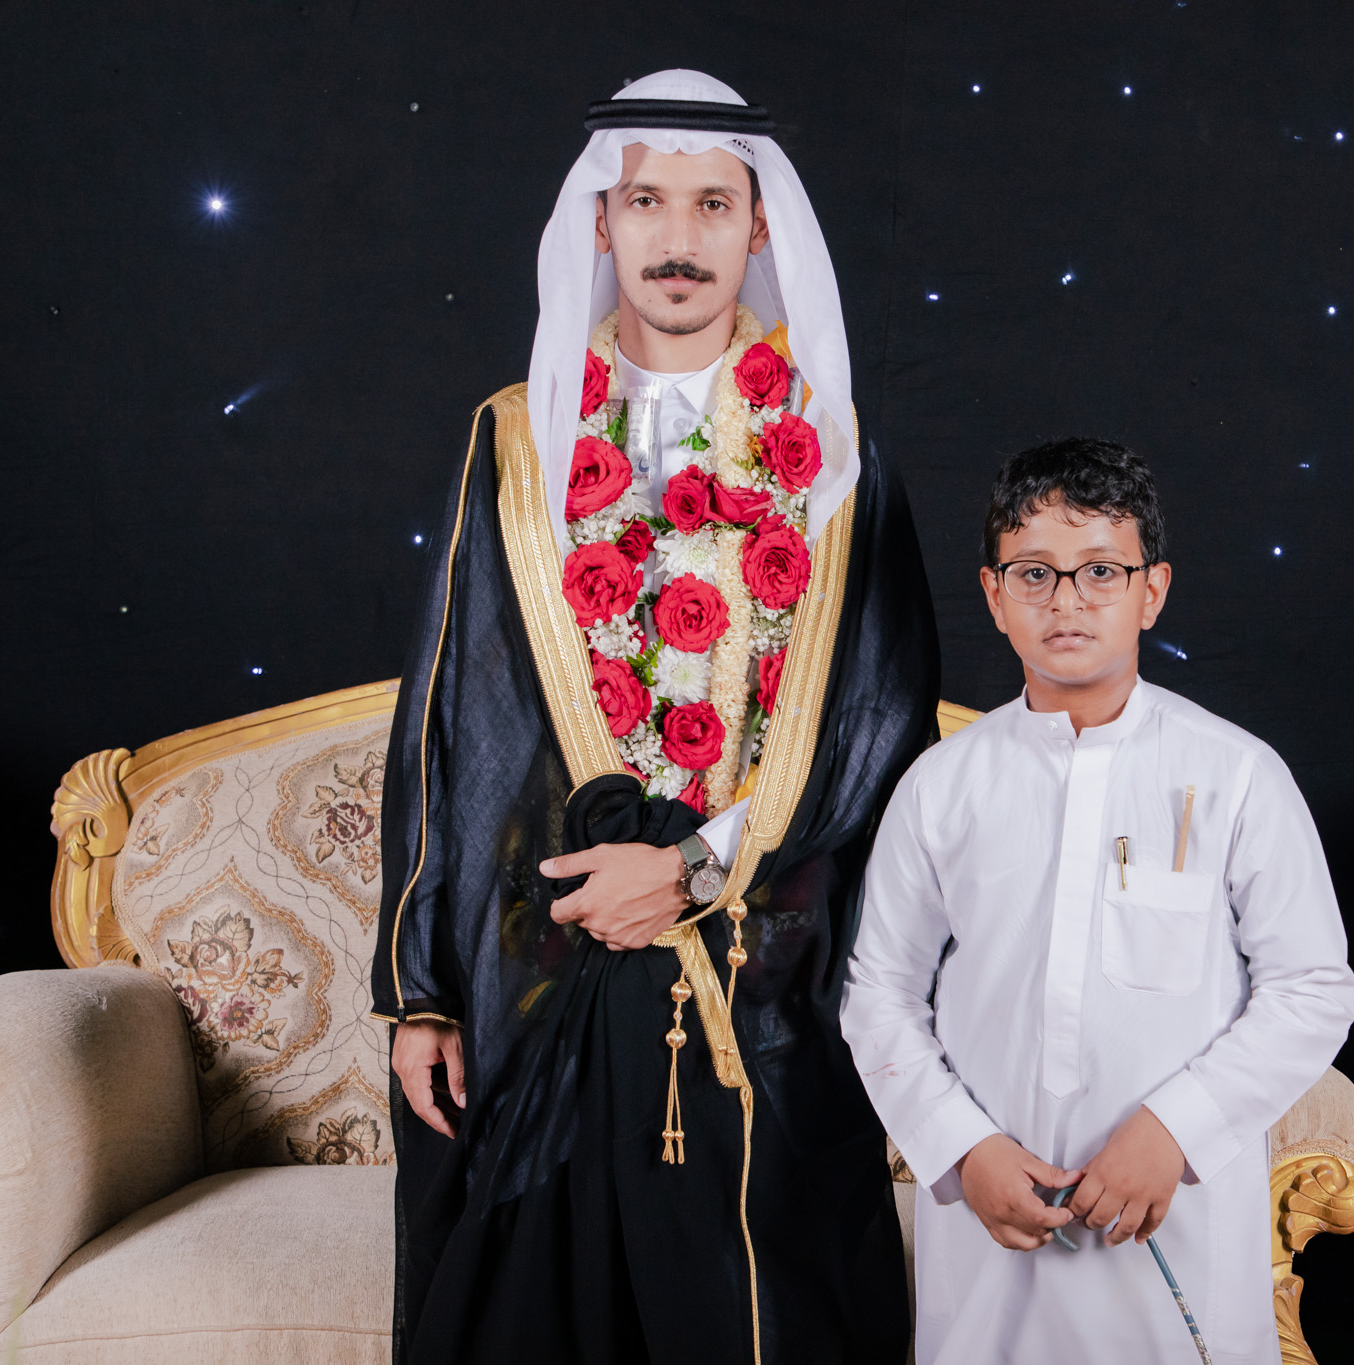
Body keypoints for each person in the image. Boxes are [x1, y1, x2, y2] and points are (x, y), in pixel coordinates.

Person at [372, 69, 935, 1365]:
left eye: (711, 204)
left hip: (761, 971)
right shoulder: (514, 442)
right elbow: (447, 720)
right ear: (600, 222)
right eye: (646, 203)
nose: (678, 238)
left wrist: (691, 869)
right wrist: (424, 995)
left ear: (759, 226)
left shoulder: (834, 458)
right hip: (547, 959)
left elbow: (878, 729)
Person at [840, 438, 1354, 1364]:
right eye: (1035, 573)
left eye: (1101, 571)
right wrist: (962, 1146)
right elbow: (878, 991)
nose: (1067, 601)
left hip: (1176, 1209)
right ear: (994, 594)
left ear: (1152, 590)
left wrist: (1176, 1129)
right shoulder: (942, 786)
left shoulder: (1236, 774)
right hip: (994, 1213)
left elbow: (1313, 987)